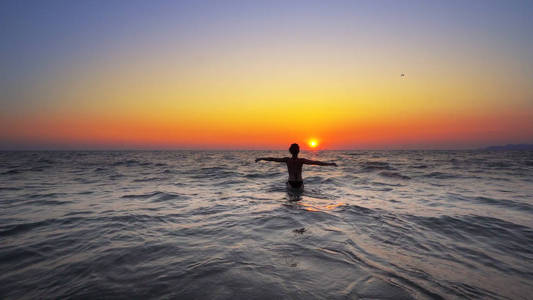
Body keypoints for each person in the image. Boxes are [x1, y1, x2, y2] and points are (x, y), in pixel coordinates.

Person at [255, 143, 337, 189]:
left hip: (291, 183)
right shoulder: (301, 161)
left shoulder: (287, 160)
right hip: (300, 183)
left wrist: (261, 158)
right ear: (299, 151)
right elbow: (316, 162)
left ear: (290, 151)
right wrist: (330, 164)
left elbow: (272, 159)